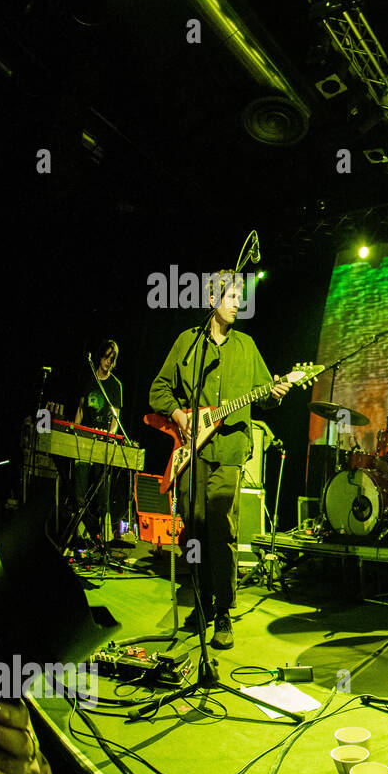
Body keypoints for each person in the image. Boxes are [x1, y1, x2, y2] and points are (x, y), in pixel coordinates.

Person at [149, 271, 291, 649]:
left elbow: (264, 395)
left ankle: (224, 611)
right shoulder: (187, 342)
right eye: (231, 295)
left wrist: (276, 392)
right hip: (192, 453)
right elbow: (158, 389)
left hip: (228, 451)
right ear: (212, 297)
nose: (237, 302)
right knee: (192, 530)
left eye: (240, 297)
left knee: (222, 529)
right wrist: (180, 416)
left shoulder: (247, 346)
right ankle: (200, 602)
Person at [71, 339, 123, 544]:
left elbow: (115, 420)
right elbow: (81, 410)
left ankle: (104, 535)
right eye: (106, 356)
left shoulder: (115, 386)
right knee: (80, 488)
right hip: (85, 440)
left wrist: (109, 437)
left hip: (103, 441)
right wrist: (75, 430)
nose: (108, 361)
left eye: (112, 358)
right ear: (99, 356)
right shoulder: (89, 380)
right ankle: (80, 532)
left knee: (102, 492)